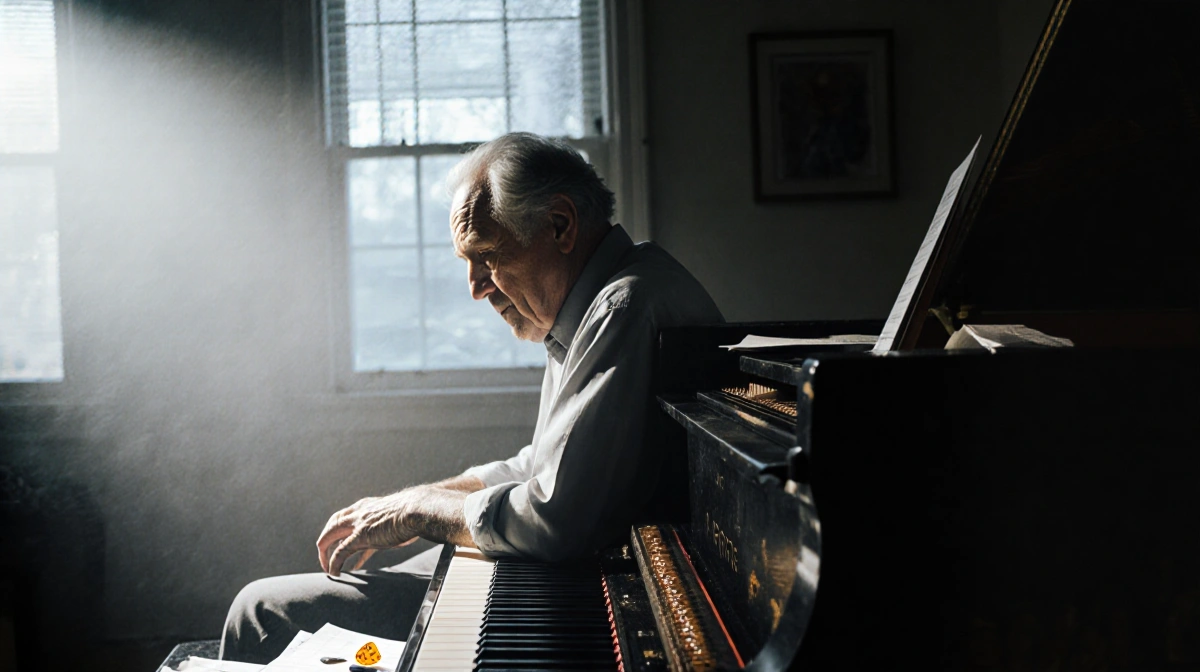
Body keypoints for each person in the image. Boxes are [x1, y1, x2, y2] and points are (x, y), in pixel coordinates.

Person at [220, 132, 723, 662]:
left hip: (581, 594)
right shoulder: (604, 300)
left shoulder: (622, 309)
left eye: (486, 254)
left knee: (261, 610)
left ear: (560, 225)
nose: (475, 287)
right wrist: (414, 501)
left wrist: (420, 511)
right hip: (558, 566)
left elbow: (555, 515)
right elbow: (546, 465)